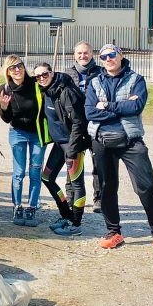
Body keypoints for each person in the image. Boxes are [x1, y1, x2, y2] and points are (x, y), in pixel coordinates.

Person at [85, 44, 153, 256]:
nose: (108, 59)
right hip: (101, 141)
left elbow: (136, 107)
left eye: (112, 54)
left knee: (146, 187)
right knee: (106, 188)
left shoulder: (136, 80)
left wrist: (107, 105)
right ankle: (113, 232)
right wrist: (119, 108)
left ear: (121, 56)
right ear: (100, 59)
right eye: (104, 56)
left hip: (131, 141)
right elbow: (90, 113)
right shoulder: (95, 82)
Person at [34, 63, 88, 236]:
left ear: (52, 72)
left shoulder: (66, 92)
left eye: (45, 74)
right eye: (38, 76)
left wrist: (73, 149)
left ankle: (76, 224)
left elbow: (79, 123)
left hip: (73, 146)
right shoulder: (45, 90)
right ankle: (66, 215)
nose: (42, 78)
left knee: (77, 184)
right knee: (47, 178)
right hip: (59, 144)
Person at [0, 55, 50, 227]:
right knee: (19, 172)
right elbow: (6, 119)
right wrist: (4, 107)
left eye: (19, 66)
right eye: (12, 68)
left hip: (37, 135)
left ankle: (32, 207)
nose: (17, 70)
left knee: (35, 172)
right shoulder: (5, 89)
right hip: (18, 132)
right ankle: (17, 206)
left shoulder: (35, 84)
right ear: (8, 71)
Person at [65, 40, 104, 213]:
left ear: (92, 54)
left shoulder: (101, 73)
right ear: (74, 55)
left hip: (96, 126)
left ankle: (99, 199)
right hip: (75, 127)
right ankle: (71, 197)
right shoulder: (67, 75)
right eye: (79, 53)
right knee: (73, 161)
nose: (83, 56)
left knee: (99, 164)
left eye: (86, 52)